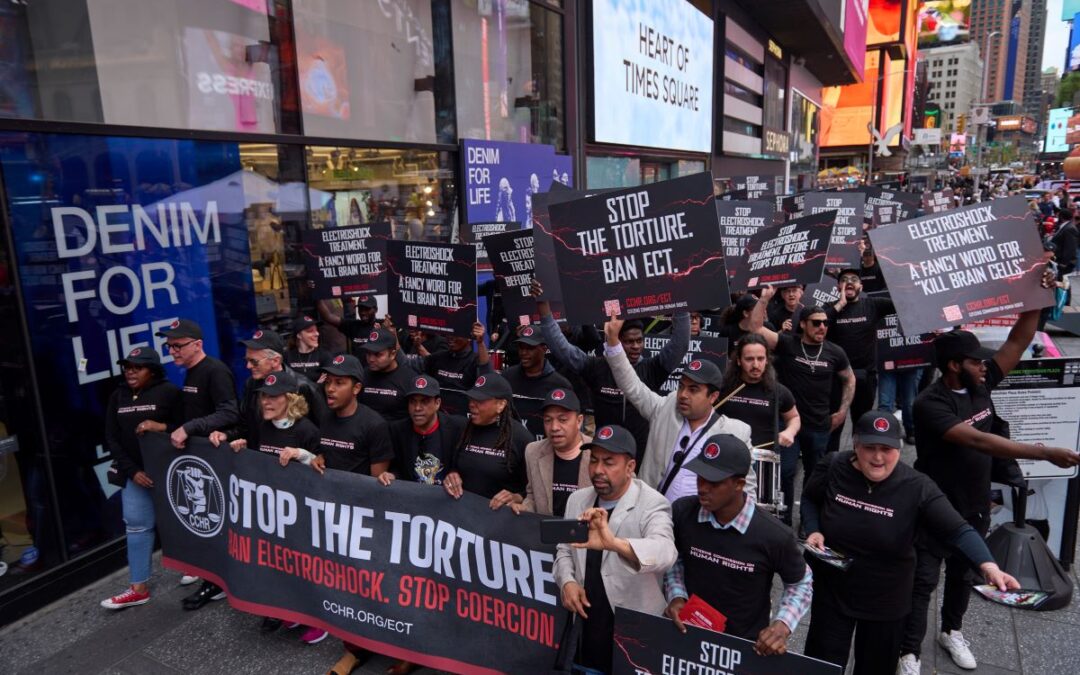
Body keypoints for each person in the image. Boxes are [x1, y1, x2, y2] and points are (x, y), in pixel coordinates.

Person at [900, 318, 1080, 673]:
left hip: (975, 503)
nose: (985, 366)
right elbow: (978, 440)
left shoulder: (982, 382)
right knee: (923, 581)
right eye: (975, 360)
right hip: (935, 506)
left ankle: (951, 631)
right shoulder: (928, 403)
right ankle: (909, 651)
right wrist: (1044, 453)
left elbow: (1019, 338)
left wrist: (1037, 289)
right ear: (954, 366)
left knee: (963, 575)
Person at [801, 412, 1020, 675]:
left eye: (887, 449)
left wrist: (989, 566)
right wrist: (814, 529)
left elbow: (958, 530)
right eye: (870, 448)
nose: (878, 457)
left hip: (886, 601)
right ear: (856, 444)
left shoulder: (917, 487)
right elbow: (810, 498)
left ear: (899, 448)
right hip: (833, 592)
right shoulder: (834, 466)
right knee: (820, 666)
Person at [663, 434, 811, 655]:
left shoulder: (774, 534)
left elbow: (801, 582)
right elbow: (674, 559)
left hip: (745, 648)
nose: (702, 488)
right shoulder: (683, 512)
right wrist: (676, 595)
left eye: (713, 482)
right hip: (688, 636)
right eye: (700, 477)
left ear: (739, 484)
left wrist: (782, 625)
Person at [553, 424, 678, 675]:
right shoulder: (578, 499)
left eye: (609, 462)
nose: (598, 470)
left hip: (632, 634)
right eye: (594, 460)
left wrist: (613, 543)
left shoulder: (652, 503)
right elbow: (564, 550)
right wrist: (567, 581)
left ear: (630, 467)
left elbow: (666, 552)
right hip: (586, 627)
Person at [602, 314, 756, 502]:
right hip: (654, 519)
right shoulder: (664, 409)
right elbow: (632, 386)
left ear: (713, 397)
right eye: (681, 385)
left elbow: (747, 491)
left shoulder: (736, 432)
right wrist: (612, 342)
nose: (683, 394)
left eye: (693, 389)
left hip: (701, 524)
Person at [534, 280, 690, 460]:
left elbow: (680, 344)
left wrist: (681, 298)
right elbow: (562, 349)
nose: (635, 346)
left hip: (642, 458)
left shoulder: (652, 369)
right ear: (615, 340)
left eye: (639, 340)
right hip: (604, 456)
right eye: (629, 342)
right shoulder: (597, 367)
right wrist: (544, 309)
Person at [226, 369, 325, 642]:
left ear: (290, 399)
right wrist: (243, 449)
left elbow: (325, 468)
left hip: (305, 512)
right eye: (263, 397)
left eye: (273, 397)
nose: (266, 403)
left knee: (308, 567)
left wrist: (302, 455)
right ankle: (293, 609)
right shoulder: (263, 426)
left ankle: (319, 619)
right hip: (276, 512)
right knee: (284, 564)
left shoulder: (306, 430)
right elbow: (261, 459)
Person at [156, 318, 239, 608]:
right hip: (198, 461)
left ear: (198, 345)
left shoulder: (215, 371)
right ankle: (212, 577)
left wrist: (190, 428)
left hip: (215, 461)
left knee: (216, 521)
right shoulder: (190, 373)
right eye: (169, 346)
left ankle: (217, 582)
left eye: (178, 346)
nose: (172, 352)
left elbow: (230, 412)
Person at [99, 347, 183, 610]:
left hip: (170, 472)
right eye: (127, 367)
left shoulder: (169, 392)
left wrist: (161, 427)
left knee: (183, 522)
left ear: (153, 370)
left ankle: (202, 573)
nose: (130, 372)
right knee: (136, 527)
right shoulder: (118, 395)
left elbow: (187, 427)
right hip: (135, 474)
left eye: (137, 367)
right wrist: (133, 471)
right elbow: (112, 437)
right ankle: (138, 588)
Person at [751, 293, 855, 503]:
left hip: (819, 424)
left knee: (815, 474)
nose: (822, 327)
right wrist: (764, 300)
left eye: (825, 323)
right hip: (789, 423)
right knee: (787, 472)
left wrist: (843, 412)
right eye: (816, 323)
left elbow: (850, 379)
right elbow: (756, 329)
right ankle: (786, 517)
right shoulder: (789, 344)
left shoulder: (835, 352)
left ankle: (808, 520)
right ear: (804, 325)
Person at [715, 334, 800, 523]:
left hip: (761, 462)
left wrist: (789, 432)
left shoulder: (777, 391)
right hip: (727, 462)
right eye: (749, 359)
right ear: (738, 361)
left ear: (767, 360)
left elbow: (794, 417)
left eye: (761, 359)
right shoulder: (723, 388)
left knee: (759, 518)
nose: (756, 365)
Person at [212, 329, 326, 452]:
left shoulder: (303, 386)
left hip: (295, 466)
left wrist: (304, 456)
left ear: (275, 361)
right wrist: (227, 435)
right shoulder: (251, 384)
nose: (248, 366)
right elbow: (245, 425)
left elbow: (323, 431)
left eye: (254, 362)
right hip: (262, 464)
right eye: (247, 360)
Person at [822, 266, 895, 453]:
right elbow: (818, 325)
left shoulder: (872, 305)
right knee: (835, 423)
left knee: (861, 423)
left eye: (854, 279)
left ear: (861, 286)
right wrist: (839, 305)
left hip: (865, 377)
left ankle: (857, 459)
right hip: (837, 378)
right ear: (838, 286)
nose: (849, 282)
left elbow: (901, 302)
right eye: (844, 279)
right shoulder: (829, 308)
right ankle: (830, 464)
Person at [443, 373, 533, 508]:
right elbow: (452, 466)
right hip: (462, 517)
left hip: (499, 520)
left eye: (480, 400)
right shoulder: (463, 429)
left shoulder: (521, 439)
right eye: (471, 399)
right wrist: (452, 474)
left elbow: (532, 492)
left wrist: (516, 497)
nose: (472, 405)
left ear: (501, 405)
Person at [514, 387, 592, 517]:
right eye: (548, 420)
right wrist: (523, 508)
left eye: (562, 420)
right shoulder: (533, 452)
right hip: (545, 534)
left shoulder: (597, 453)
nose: (554, 428)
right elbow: (532, 497)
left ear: (579, 421)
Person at [379, 374, 466, 487]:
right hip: (412, 498)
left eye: (424, 402)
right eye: (412, 402)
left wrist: (455, 473)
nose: (417, 408)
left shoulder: (457, 428)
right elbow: (398, 467)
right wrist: (392, 475)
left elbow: (466, 465)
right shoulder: (397, 430)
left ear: (437, 403)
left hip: (446, 498)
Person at [501, 325, 573, 439]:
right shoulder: (507, 377)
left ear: (544, 349)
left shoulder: (560, 385)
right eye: (521, 347)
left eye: (530, 348)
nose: (523, 352)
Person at [358, 327, 420, 423]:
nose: (371, 359)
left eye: (377, 354)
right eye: (368, 353)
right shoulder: (362, 375)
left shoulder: (410, 379)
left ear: (392, 354)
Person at [284, 313, 329, 382]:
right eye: (311, 331)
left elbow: (327, 382)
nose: (317, 334)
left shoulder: (324, 356)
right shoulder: (287, 356)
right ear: (299, 335)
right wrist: (316, 384)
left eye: (316, 330)